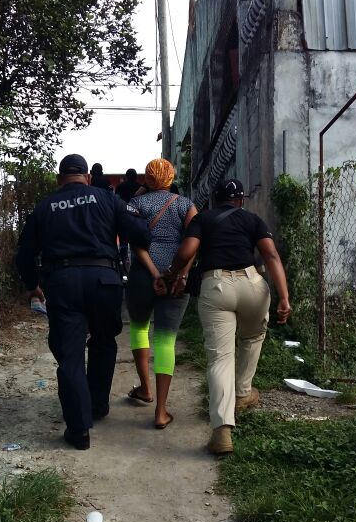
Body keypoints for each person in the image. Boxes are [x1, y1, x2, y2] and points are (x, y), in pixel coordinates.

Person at [15, 154, 151, 450]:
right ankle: (98, 404)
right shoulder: (108, 198)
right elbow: (141, 234)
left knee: (70, 355)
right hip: (104, 281)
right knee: (103, 342)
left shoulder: (45, 207)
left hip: (63, 284)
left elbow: (24, 254)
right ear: (88, 178)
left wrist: (33, 285)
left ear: (59, 178)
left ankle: (78, 431)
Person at [166, 178, 291, 455]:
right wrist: (284, 297)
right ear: (241, 201)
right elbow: (271, 256)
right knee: (252, 336)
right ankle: (243, 393)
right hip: (253, 284)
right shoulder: (252, 220)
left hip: (216, 286)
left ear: (215, 199)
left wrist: (172, 273)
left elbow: (187, 251)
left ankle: (222, 430)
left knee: (221, 358)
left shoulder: (203, 219)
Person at [125, 158, 198, 429]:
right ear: (171, 177)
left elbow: (135, 241)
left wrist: (154, 273)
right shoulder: (185, 205)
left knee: (139, 328)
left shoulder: (136, 204)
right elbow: (194, 243)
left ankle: (145, 389)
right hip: (175, 278)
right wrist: (182, 273)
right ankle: (161, 411)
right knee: (166, 340)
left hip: (142, 276)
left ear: (147, 178)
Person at [115, 169, 140, 268]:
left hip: (123, 217)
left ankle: (123, 263)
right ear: (136, 177)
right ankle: (135, 263)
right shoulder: (139, 187)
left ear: (126, 177)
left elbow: (116, 201)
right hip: (136, 218)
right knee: (136, 243)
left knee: (123, 243)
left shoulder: (120, 186)